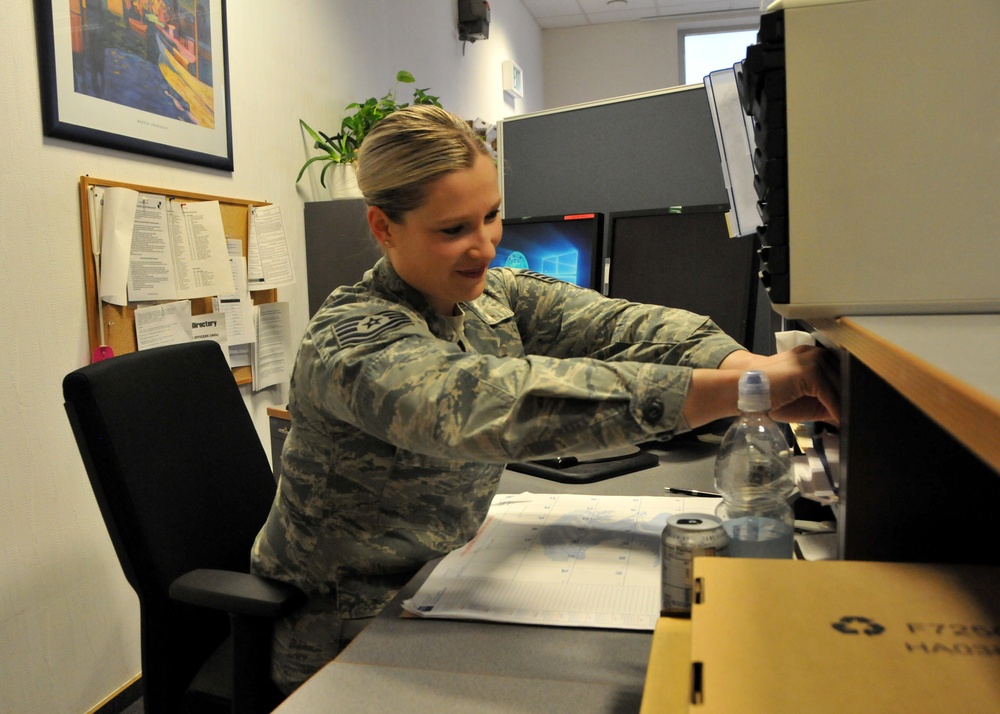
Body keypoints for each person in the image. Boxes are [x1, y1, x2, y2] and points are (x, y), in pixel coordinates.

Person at [251, 105, 839, 692]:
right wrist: (729, 394)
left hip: (444, 580)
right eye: (453, 230)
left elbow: (624, 326)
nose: (484, 246)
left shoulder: (488, 297)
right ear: (384, 228)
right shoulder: (351, 340)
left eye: (491, 216)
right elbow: (484, 407)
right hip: (349, 622)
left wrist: (753, 371)